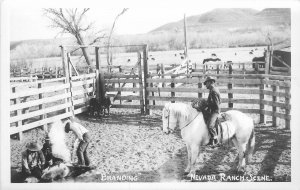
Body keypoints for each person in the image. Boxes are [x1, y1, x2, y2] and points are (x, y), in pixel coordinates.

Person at [203, 76, 221, 147]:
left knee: (210, 125)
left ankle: (216, 141)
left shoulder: (214, 91)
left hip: (215, 111)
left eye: (206, 83)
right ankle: (211, 140)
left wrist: (208, 106)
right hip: (213, 109)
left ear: (210, 83)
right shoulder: (212, 90)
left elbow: (216, 104)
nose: (205, 85)